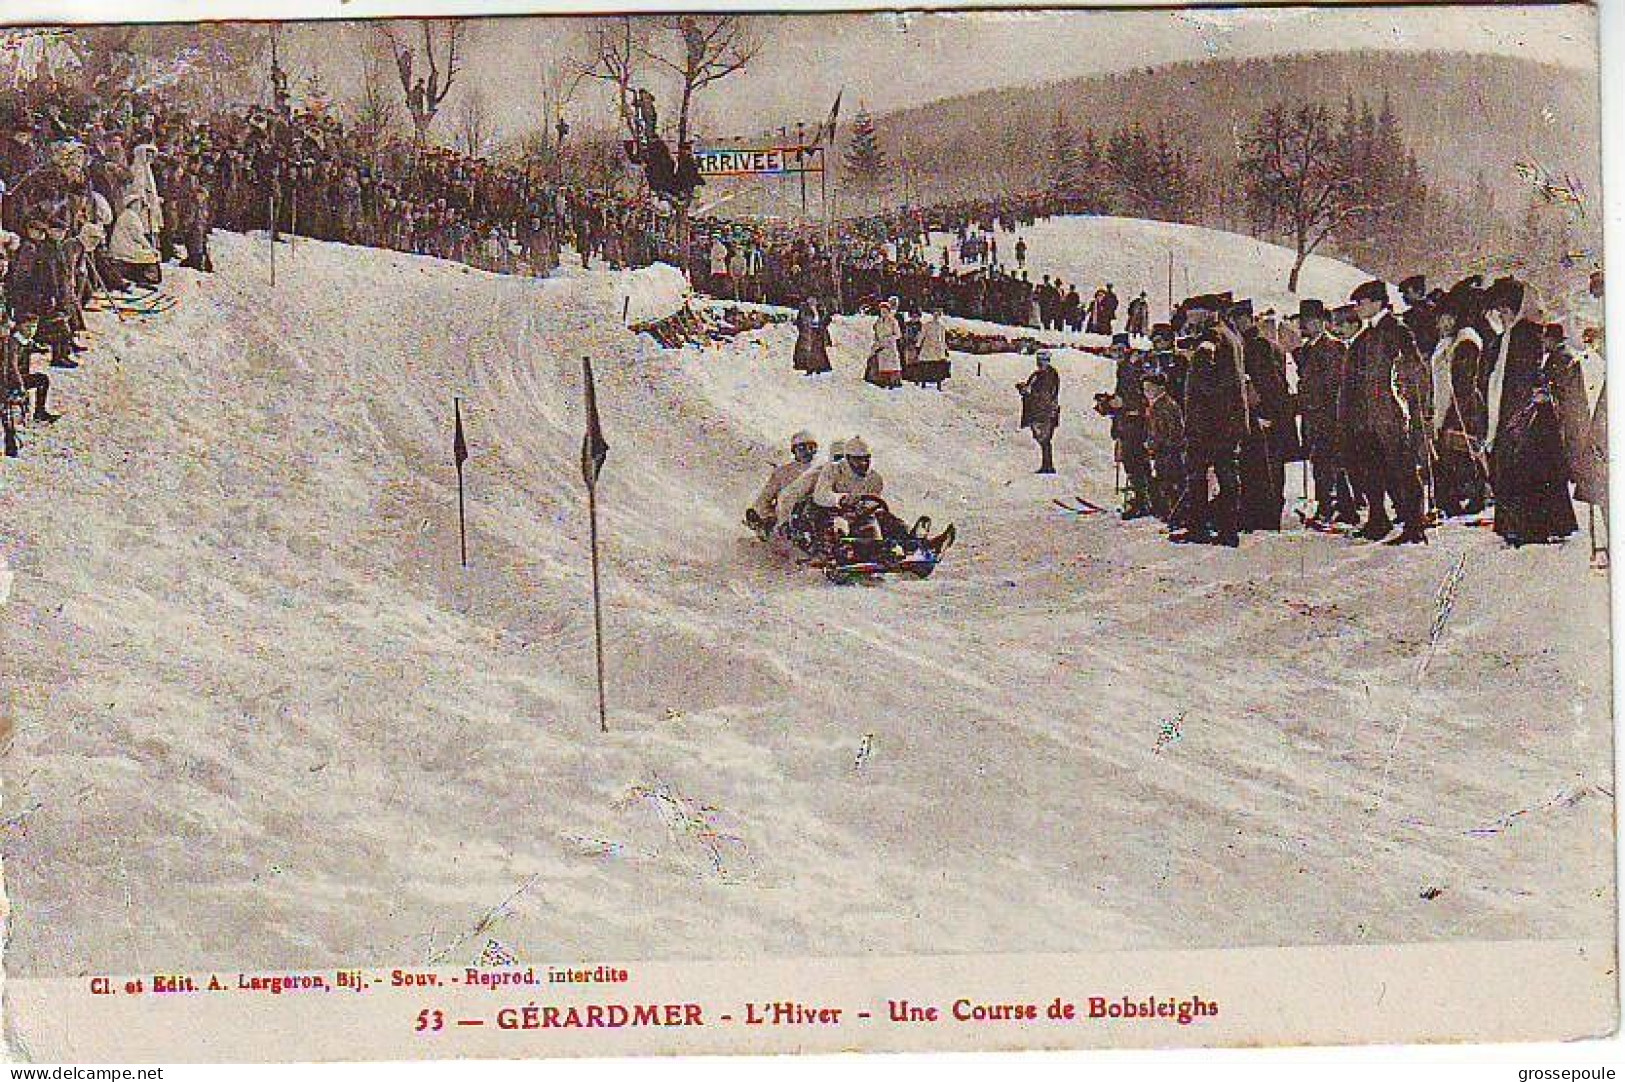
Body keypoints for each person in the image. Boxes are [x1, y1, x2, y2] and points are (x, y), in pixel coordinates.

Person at [1339, 279, 1429, 544]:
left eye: (1362, 303)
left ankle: (1414, 526)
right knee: (1374, 470)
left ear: (1377, 302)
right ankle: (1378, 520)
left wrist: (1406, 407)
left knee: (1403, 470)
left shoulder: (1396, 330)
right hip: (1371, 417)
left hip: (1392, 415)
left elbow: (1413, 371)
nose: (1358, 308)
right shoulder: (1369, 334)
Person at [1174, 324, 1243, 547]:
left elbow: (1208, 381)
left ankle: (1201, 528)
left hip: (1209, 424)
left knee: (1202, 475)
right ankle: (1225, 529)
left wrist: (1191, 359)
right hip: (1224, 422)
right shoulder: (1229, 335)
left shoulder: (1211, 337)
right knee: (1225, 475)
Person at [1292, 299, 1357, 524]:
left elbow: (1335, 385)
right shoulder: (1307, 349)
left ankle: (1327, 510)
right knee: (1325, 463)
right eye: (1303, 321)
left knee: (1327, 465)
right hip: (1314, 417)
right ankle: (1346, 509)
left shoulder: (1332, 347)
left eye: (1308, 321)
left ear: (1321, 322)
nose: (1304, 326)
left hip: (1328, 417)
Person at [747, 431, 819, 537]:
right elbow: (763, 500)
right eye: (802, 447)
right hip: (785, 522)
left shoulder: (822, 469)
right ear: (794, 450)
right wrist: (771, 518)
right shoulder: (783, 472)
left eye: (811, 447)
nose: (807, 451)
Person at [1142, 371, 1184, 524]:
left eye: (1150, 388)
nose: (1147, 393)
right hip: (1164, 450)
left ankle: (1174, 515)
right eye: (1145, 389)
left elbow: (1171, 430)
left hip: (1169, 450)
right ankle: (1170, 513)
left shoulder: (1164, 405)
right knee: (1165, 482)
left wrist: (1154, 443)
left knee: (1170, 483)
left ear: (1160, 388)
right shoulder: (1157, 405)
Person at [1017, 350, 1061, 474]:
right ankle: (1047, 464)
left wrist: (1027, 392)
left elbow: (1044, 394)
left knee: (1044, 438)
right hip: (1040, 410)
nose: (1040, 363)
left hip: (1043, 411)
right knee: (1043, 438)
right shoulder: (1040, 374)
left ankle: (1048, 465)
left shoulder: (1049, 375)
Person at [908, 307, 951, 389]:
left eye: (938, 314)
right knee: (926, 365)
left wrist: (945, 348)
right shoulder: (927, 325)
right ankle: (924, 382)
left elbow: (943, 338)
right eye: (935, 314)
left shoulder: (942, 326)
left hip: (938, 349)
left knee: (937, 366)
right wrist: (918, 345)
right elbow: (922, 335)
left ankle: (938, 383)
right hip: (928, 347)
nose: (936, 316)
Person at [792, 297, 832, 375]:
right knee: (808, 351)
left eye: (813, 302)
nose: (812, 303)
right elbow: (800, 321)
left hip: (818, 333)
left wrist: (822, 324)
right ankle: (808, 368)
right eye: (810, 302)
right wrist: (805, 328)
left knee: (818, 351)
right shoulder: (804, 311)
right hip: (807, 333)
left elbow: (827, 320)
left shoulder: (821, 310)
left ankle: (819, 367)